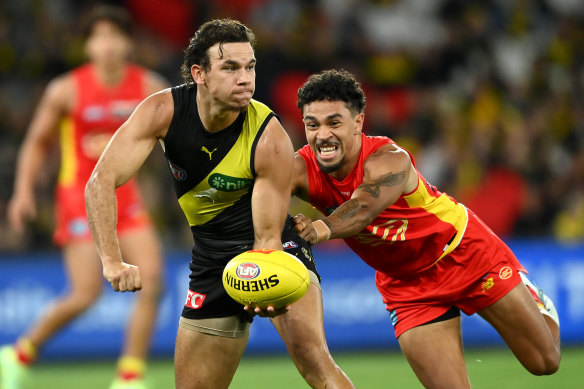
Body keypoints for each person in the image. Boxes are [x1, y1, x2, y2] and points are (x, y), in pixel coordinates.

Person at [84, 19, 354, 389]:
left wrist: (266, 282)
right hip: (212, 259)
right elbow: (100, 182)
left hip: (274, 251)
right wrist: (112, 259)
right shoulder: (162, 112)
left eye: (250, 67)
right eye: (230, 67)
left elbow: (268, 235)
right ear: (200, 74)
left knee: (316, 365)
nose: (245, 78)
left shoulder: (269, 136)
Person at [291, 69, 561, 389]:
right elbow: (258, 199)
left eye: (334, 122)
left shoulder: (390, 158)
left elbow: (363, 207)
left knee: (545, 363)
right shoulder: (299, 168)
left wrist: (320, 229)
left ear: (358, 122)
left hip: (463, 252)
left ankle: (531, 294)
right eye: (313, 125)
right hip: (406, 286)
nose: (323, 135)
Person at [0, 6, 168, 389]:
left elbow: (173, 137)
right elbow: (36, 143)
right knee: (86, 293)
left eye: (115, 36)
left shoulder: (147, 87)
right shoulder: (67, 89)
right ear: (88, 45)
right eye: (99, 37)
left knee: (153, 282)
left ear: (128, 43)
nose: (107, 45)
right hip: (79, 198)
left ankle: (129, 377)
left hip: (128, 197)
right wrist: (23, 192)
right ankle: (19, 354)